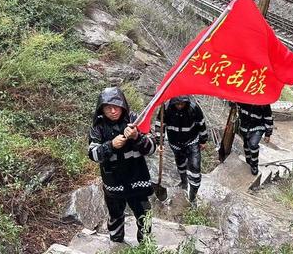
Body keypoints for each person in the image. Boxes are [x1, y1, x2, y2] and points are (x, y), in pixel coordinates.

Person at [88, 87, 156, 244]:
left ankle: (145, 246)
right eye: (107, 108)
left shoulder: (135, 120)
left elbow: (151, 148)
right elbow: (93, 154)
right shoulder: (98, 127)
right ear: (101, 109)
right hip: (113, 182)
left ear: (123, 105)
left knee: (144, 215)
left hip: (137, 178)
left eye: (116, 106)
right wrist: (110, 145)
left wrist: (137, 136)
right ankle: (116, 244)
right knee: (116, 215)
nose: (112, 111)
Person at [155, 96, 208, 202]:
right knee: (181, 165)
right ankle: (184, 183)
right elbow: (160, 125)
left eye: (182, 104)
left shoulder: (193, 107)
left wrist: (203, 140)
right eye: (177, 104)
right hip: (175, 143)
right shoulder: (165, 108)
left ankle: (193, 194)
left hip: (192, 142)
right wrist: (159, 142)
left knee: (195, 168)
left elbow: (201, 124)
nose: (179, 106)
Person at [235, 102, 273, 175]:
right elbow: (235, 104)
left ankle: (254, 164)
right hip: (244, 127)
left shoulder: (264, 102)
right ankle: (248, 161)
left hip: (258, 127)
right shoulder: (244, 96)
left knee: (253, 144)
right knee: (246, 145)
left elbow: (268, 117)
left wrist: (268, 134)